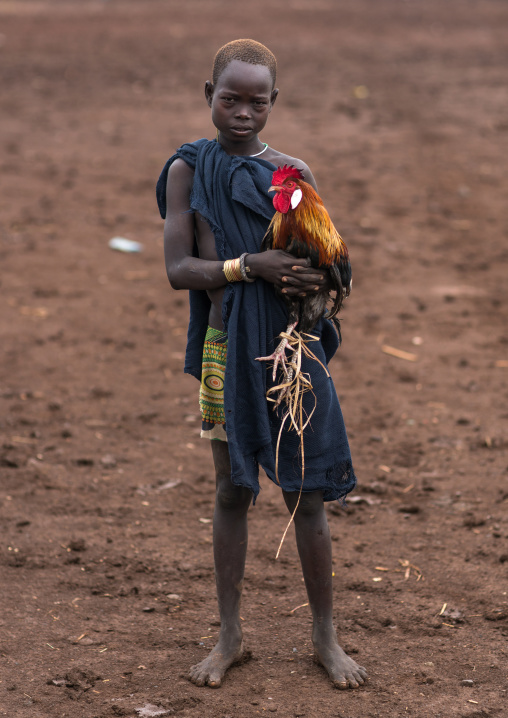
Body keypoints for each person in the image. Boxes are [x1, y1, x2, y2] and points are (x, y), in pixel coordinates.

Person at [156, 39, 366, 690]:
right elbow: (177, 270)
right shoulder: (189, 169)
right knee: (233, 489)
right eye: (230, 97)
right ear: (208, 96)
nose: (243, 111)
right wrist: (248, 266)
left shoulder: (294, 173)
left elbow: (326, 265)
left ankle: (325, 636)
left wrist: (309, 287)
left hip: (292, 351)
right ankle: (231, 636)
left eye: (257, 101)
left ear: (274, 104)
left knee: (306, 496)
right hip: (224, 350)